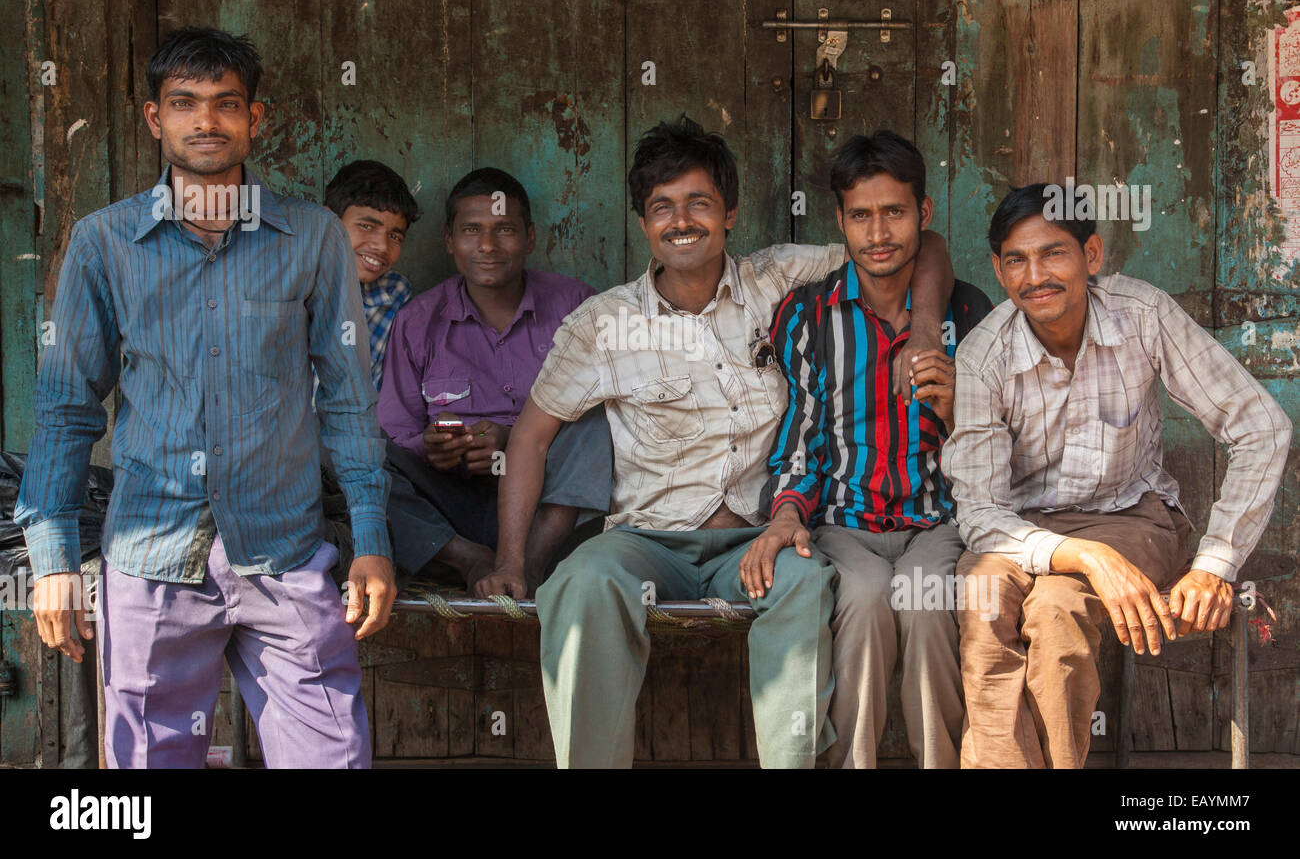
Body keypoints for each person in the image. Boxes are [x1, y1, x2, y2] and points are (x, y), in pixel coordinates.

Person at [478, 115, 956, 768]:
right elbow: (530, 440)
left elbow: (915, 244)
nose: (681, 221)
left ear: (729, 213)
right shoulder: (604, 324)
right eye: (661, 208)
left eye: (699, 203)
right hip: (646, 539)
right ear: (643, 224)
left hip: (759, 539)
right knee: (578, 584)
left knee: (807, 579)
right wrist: (511, 561)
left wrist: (926, 327)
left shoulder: (777, 278)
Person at [15, 27, 394, 768]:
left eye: (226, 104)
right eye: (184, 103)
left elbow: (349, 403)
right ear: (157, 119)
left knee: (331, 758)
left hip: (284, 555)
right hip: (150, 554)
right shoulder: (106, 243)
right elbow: (66, 407)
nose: (206, 121)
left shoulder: (313, 238)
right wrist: (53, 557)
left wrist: (372, 538)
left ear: (257, 120)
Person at [945, 182, 1292, 768]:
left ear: (1093, 256)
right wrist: (1085, 557)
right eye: (1016, 260)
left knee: (1056, 614)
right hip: (1019, 530)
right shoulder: (984, 356)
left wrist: (1214, 564)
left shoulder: (1142, 315)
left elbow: (1262, 426)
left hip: (1131, 516)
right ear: (1001, 274)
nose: (1036, 275)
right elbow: (979, 511)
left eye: (1054, 252)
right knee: (982, 604)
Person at [761, 131, 992, 768]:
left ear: (924, 213)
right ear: (840, 220)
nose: (878, 232)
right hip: (842, 522)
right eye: (861, 215)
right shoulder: (808, 314)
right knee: (861, 600)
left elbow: (994, 444)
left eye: (895, 211)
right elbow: (802, 434)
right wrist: (788, 512)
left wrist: (954, 411)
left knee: (923, 604)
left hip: (938, 522)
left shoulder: (969, 313)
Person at [379, 168, 612, 590]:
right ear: (450, 241)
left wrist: (512, 437)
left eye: (505, 229)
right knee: (365, 455)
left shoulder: (577, 306)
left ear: (530, 238)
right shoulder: (417, 322)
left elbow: (602, 423)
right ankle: (469, 561)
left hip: (553, 506)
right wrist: (434, 450)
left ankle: (527, 566)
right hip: (453, 509)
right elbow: (397, 430)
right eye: (471, 230)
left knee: (599, 421)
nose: (487, 245)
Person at [323, 159, 420, 389]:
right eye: (366, 226)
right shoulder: (283, 286)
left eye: (395, 236)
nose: (382, 247)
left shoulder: (394, 294)